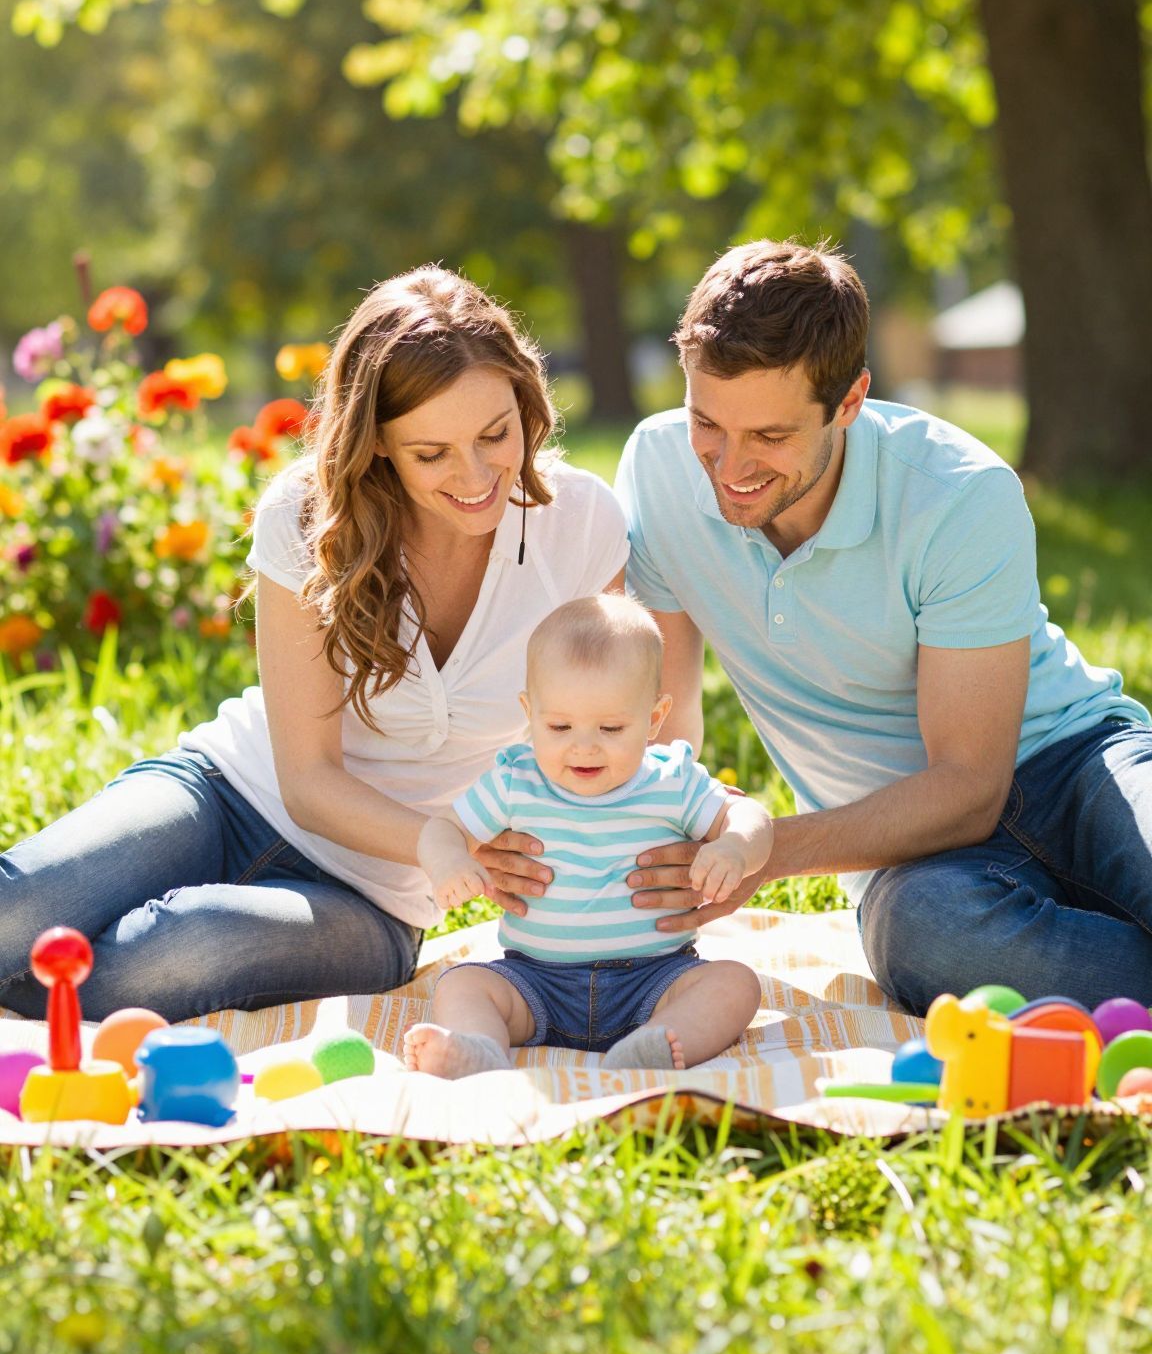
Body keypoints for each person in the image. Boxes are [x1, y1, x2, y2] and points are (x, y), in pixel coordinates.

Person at [0, 267, 625, 1022]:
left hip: (373, 897)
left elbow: (612, 726)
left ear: (525, 402)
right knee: (15, 912)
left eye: (496, 434)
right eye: (431, 453)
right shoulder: (307, 514)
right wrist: (441, 837)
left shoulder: (580, 524)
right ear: (379, 443)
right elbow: (307, 779)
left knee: (167, 954)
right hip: (226, 794)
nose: (475, 475)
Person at [616, 238, 1152, 1016]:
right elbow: (664, 729)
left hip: (1077, 766)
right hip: (914, 859)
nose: (729, 467)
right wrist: (663, 829)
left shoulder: (956, 494)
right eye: (707, 422)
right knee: (927, 937)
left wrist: (766, 850)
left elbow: (970, 786)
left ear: (850, 401)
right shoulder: (659, 471)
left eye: (770, 436)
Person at [406, 593, 772, 1076]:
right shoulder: (516, 781)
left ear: (654, 719)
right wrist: (449, 860)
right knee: (463, 985)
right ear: (529, 712)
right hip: (535, 982)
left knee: (735, 984)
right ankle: (478, 1050)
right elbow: (443, 827)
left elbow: (749, 815)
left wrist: (734, 847)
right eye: (559, 726)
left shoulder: (671, 779)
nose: (584, 747)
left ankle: (656, 1043)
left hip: (655, 980)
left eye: (611, 728)